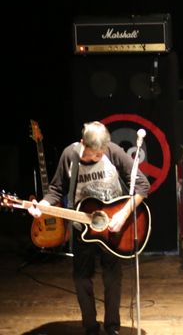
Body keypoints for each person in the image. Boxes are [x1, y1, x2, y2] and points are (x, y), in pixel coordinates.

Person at [28, 121, 150, 335]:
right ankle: (90, 327)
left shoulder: (112, 152)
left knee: (112, 277)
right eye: (95, 154)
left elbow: (143, 185)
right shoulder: (70, 156)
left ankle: (112, 327)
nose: (98, 157)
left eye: (101, 153)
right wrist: (43, 206)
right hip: (83, 228)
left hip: (113, 227)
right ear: (83, 143)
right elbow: (56, 189)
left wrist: (122, 215)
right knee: (81, 278)